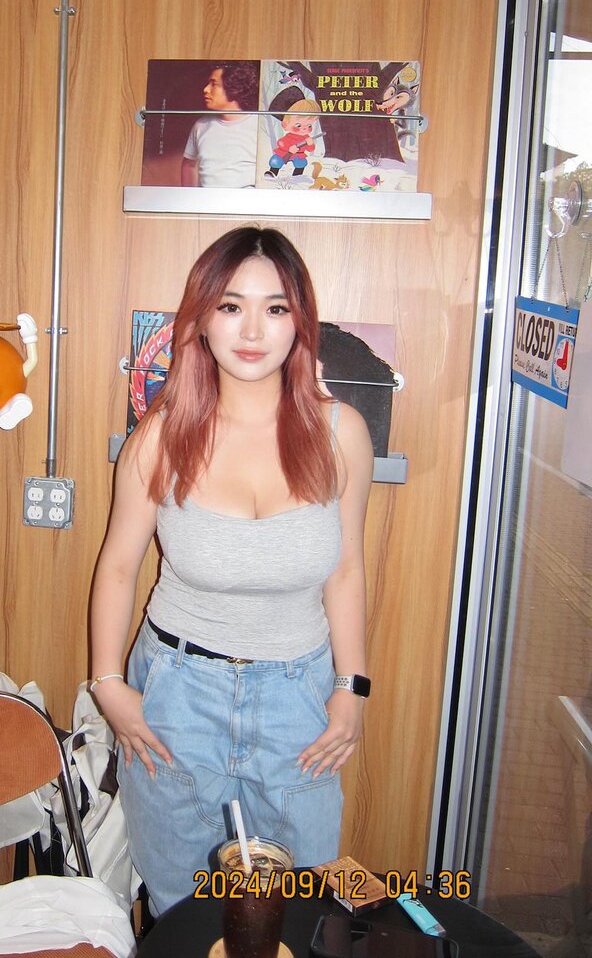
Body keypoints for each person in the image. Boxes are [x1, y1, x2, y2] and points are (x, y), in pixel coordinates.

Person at [89, 226, 374, 916]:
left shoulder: (343, 434)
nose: (252, 331)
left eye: (275, 308)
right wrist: (108, 684)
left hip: (298, 697)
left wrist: (353, 687)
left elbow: (345, 570)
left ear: (299, 322)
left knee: (299, 899)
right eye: (230, 306)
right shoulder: (160, 437)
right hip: (178, 692)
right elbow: (119, 566)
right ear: (202, 319)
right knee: (181, 902)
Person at [180, 63, 260, 188]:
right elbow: (189, 165)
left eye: (214, 84)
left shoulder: (260, 125)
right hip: (207, 200)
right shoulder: (201, 125)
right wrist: (189, 197)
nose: (206, 89)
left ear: (233, 87)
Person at [264, 98, 320, 180]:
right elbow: (281, 142)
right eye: (298, 125)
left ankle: (297, 175)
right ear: (285, 125)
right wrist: (289, 149)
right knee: (276, 161)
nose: (304, 128)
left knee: (301, 163)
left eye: (309, 126)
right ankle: (273, 172)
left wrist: (310, 144)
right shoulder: (289, 136)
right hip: (284, 153)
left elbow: (310, 149)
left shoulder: (306, 137)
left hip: (299, 154)